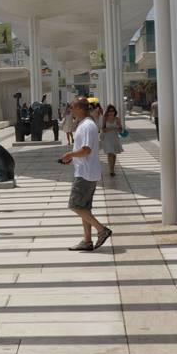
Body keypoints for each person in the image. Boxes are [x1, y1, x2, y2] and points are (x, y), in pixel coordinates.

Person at [60, 97, 112, 252]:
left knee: (75, 205)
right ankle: (87, 241)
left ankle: (102, 230)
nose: (70, 111)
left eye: (72, 108)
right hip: (87, 171)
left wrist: (70, 154)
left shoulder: (87, 126)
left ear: (81, 109)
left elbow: (86, 149)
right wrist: (72, 157)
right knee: (84, 208)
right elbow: (83, 150)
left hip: (85, 173)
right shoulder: (84, 124)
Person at [100, 103, 124, 179]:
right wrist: (110, 129)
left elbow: (120, 129)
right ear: (107, 112)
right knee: (110, 153)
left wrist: (117, 129)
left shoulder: (117, 119)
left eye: (112, 111)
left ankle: (112, 168)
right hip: (107, 138)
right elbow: (103, 129)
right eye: (109, 111)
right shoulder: (105, 118)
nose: (111, 112)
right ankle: (111, 170)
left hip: (115, 138)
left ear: (114, 111)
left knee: (113, 154)